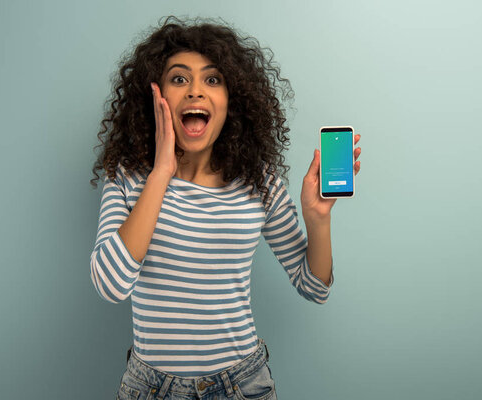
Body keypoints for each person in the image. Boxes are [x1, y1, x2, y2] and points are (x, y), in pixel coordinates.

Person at [89, 16, 361, 400]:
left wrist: (318, 218)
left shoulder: (258, 180)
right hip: (151, 389)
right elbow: (110, 284)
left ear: (232, 100)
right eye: (179, 78)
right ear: (157, 95)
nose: (196, 91)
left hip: (242, 385)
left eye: (212, 80)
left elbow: (314, 287)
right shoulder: (130, 177)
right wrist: (162, 171)